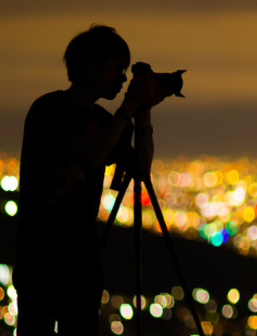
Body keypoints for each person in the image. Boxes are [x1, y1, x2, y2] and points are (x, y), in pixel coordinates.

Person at [14, 25, 161, 335]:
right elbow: (93, 155)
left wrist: (143, 114)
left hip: (83, 260)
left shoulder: (106, 120)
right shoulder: (49, 110)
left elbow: (141, 169)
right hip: (42, 256)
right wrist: (128, 107)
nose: (122, 79)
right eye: (116, 69)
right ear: (91, 67)